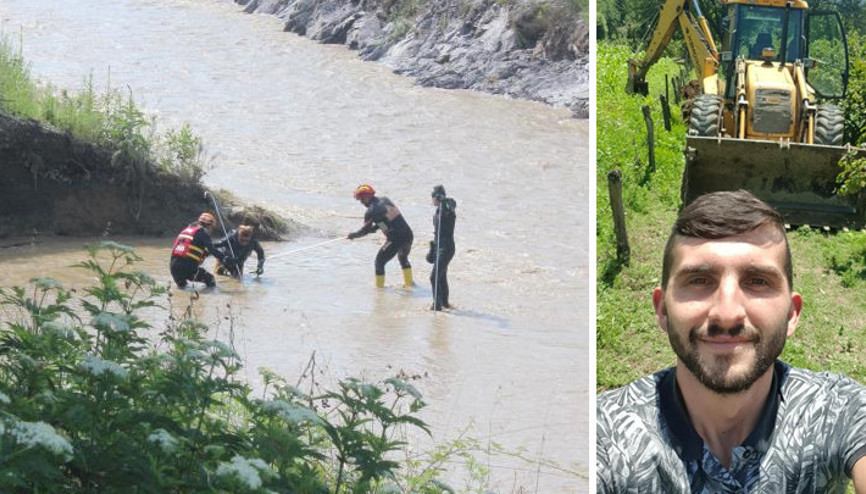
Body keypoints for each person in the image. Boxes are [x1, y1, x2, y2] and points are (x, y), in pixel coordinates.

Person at [597, 190, 866, 493]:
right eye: (699, 280)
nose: (726, 314)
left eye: (758, 281)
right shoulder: (605, 432)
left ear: (792, 314)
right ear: (662, 310)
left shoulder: (838, 410)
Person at [347, 184, 414, 288]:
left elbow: (364, 231)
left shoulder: (371, 211)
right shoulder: (385, 200)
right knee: (403, 258)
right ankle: (409, 285)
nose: (361, 202)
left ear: (367, 196)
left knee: (379, 262)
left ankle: (380, 291)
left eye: (361, 199)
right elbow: (390, 218)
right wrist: (375, 227)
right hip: (408, 234)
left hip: (395, 239)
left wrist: (353, 235)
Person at [170, 211, 234, 289]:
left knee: (182, 288)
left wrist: (206, 254)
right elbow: (212, 250)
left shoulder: (187, 230)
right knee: (210, 279)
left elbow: (192, 251)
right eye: (211, 227)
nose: (211, 230)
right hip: (187, 268)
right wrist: (225, 258)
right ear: (208, 225)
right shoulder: (203, 233)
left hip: (174, 267)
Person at [426, 185, 456, 310]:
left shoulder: (447, 207)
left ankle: (436, 306)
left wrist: (444, 200)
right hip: (439, 246)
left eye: (433, 197)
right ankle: (444, 303)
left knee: (434, 277)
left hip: (447, 248)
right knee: (441, 277)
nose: (432, 200)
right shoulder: (438, 211)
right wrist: (432, 249)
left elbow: (452, 205)